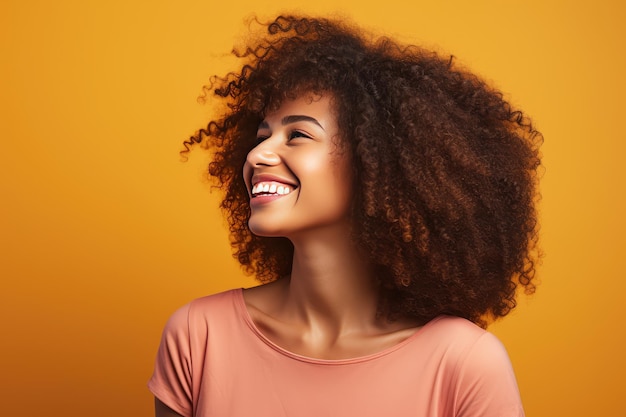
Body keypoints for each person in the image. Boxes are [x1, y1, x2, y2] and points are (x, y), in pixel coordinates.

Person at [148, 15, 542, 417]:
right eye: (262, 136)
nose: (256, 156)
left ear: (377, 165)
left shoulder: (464, 363)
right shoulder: (199, 337)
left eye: (297, 135)